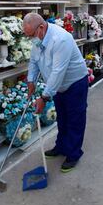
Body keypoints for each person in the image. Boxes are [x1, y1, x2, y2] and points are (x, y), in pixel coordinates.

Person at [23, 13, 89, 173]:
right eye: (28, 36)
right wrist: (31, 81)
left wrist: (44, 98)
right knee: (62, 117)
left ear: (41, 27)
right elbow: (33, 61)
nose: (31, 39)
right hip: (58, 86)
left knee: (75, 119)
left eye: (31, 35)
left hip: (75, 83)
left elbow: (58, 72)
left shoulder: (61, 39)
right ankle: (61, 146)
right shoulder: (38, 39)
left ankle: (73, 154)